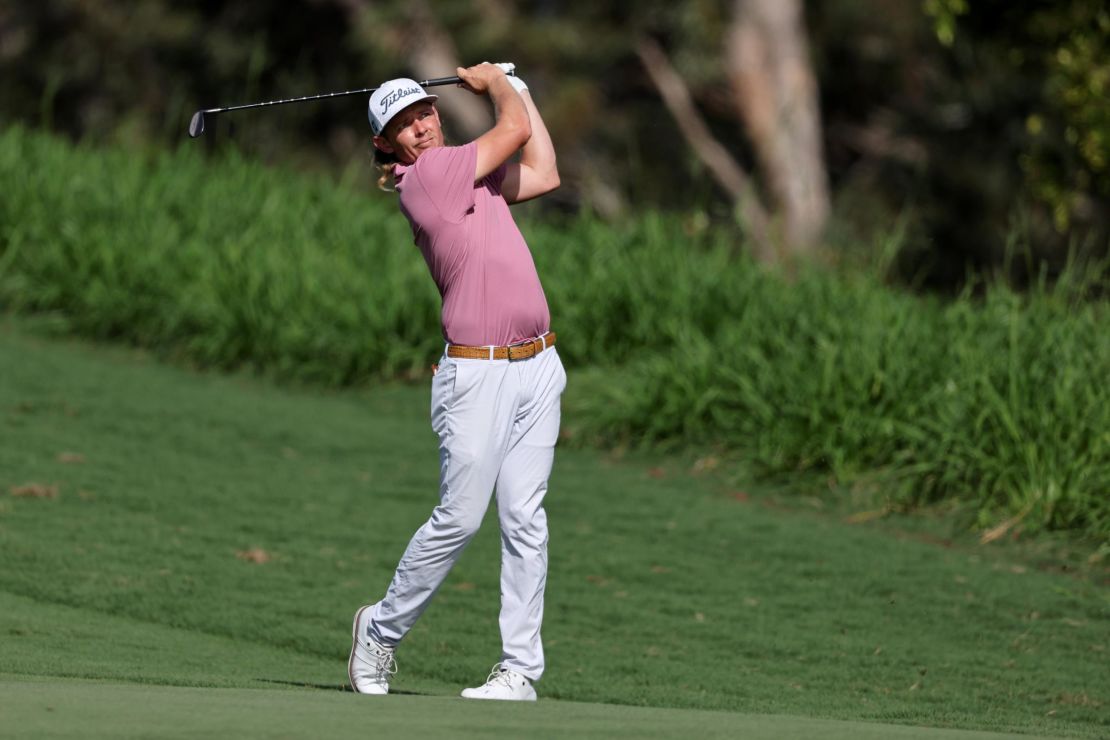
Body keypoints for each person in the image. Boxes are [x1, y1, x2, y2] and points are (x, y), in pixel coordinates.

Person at [348, 62, 565, 702]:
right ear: (387, 146)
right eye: (403, 125)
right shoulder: (432, 177)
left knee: (527, 521)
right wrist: (495, 83)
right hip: (477, 375)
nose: (420, 125)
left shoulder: (471, 175)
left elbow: (547, 171)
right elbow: (514, 128)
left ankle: (519, 671)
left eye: (423, 112)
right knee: (460, 519)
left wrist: (518, 87)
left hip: (537, 366)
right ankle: (380, 633)